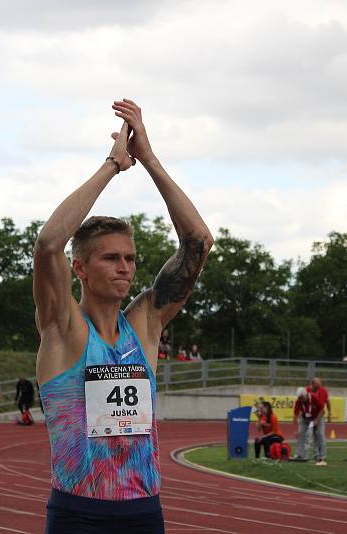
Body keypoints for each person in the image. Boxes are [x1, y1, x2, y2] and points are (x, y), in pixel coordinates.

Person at [34, 99, 212, 533]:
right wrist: (112, 166)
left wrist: (149, 159)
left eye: (130, 259)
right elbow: (48, 243)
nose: (125, 267)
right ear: (80, 268)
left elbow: (198, 243)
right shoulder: (64, 330)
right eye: (111, 258)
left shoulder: (145, 327)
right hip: (80, 513)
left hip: (143, 510)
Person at [309, 377, 331, 465]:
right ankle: (316, 454)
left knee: (320, 434)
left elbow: (327, 403)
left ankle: (322, 455)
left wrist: (330, 413)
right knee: (314, 435)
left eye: (320, 386)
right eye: (317, 386)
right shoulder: (308, 391)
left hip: (320, 415)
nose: (319, 388)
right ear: (312, 385)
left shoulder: (323, 391)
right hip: (311, 416)